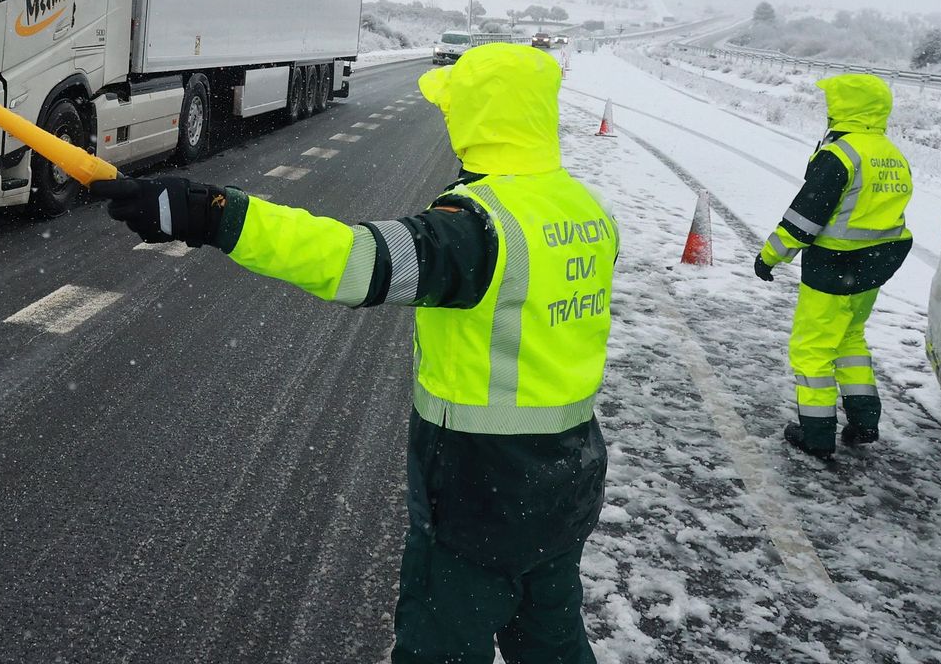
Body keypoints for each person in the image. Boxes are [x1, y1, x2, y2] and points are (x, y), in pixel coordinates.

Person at [90, 43, 616, 663]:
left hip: (482, 497)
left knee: (439, 650)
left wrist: (216, 215)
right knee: (552, 642)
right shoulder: (587, 211)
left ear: (479, 120)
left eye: (455, 110)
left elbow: (352, 261)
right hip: (565, 483)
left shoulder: (477, 230)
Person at [754, 73, 914, 460]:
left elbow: (805, 217)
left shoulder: (841, 154)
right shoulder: (890, 153)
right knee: (850, 340)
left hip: (833, 267)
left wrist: (770, 256)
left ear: (846, 108)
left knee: (812, 349)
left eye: (832, 103)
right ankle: (865, 422)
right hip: (874, 267)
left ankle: (817, 434)